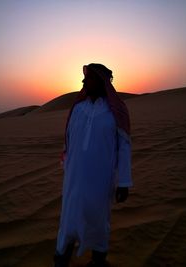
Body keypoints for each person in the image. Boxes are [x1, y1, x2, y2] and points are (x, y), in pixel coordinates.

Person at [54, 63, 133, 267]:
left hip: (101, 179)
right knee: (69, 219)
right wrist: (67, 167)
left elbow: (124, 147)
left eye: (88, 78)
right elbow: (68, 141)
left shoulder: (115, 112)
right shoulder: (78, 109)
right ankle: (62, 258)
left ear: (102, 82)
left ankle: (98, 260)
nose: (83, 82)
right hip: (74, 179)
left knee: (98, 220)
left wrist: (124, 181)